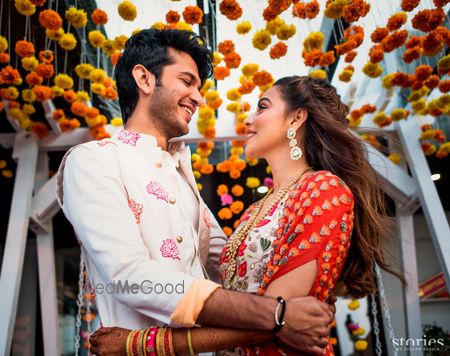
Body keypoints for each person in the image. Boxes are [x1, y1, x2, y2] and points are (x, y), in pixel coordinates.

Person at [57, 29, 335, 356]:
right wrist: (279, 316)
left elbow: (231, 270)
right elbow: (129, 276)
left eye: (199, 88)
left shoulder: (183, 177)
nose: (199, 98)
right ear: (144, 79)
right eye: (187, 82)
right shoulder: (93, 161)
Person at [89, 74, 405, 355]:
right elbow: (275, 316)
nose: (248, 119)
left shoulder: (323, 190)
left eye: (263, 107)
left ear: (296, 118)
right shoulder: (255, 210)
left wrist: (139, 344)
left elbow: (271, 317)